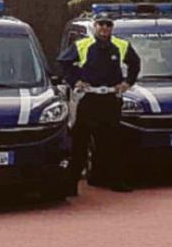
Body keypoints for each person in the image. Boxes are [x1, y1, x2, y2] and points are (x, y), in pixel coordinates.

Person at [58, 11, 141, 193]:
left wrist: (127, 83)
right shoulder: (83, 44)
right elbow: (63, 62)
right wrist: (75, 81)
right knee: (80, 143)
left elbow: (135, 63)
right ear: (95, 26)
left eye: (108, 25)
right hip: (89, 99)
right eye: (101, 24)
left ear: (112, 27)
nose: (104, 28)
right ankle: (71, 185)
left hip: (110, 99)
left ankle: (113, 180)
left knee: (111, 143)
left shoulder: (121, 45)